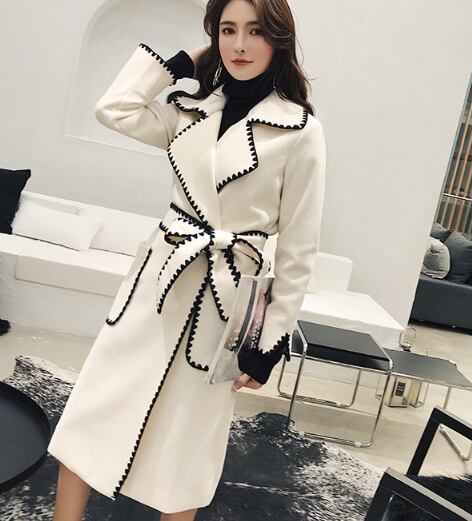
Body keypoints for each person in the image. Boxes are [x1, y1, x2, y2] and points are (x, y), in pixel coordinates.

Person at [47, 0, 327, 520]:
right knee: (95, 411)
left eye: (255, 31)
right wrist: (183, 62)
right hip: (156, 284)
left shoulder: (299, 130)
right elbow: (115, 110)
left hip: (223, 300)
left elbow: (299, 246)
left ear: (279, 39)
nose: (239, 45)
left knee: (187, 443)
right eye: (227, 30)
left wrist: (270, 340)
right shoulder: (190, 109)